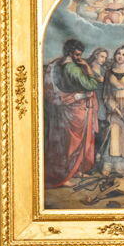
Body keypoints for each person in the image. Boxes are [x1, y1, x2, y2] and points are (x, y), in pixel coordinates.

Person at [46, 38, 100, 188]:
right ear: (70, 53)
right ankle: (65, 174)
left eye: (80, 54)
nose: (79, 57)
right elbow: (91, 84)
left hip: (69, 106)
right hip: (74, 108)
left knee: (69, 142)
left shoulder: (59, 63)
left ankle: (74, 170)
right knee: (72, 143)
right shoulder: (71, 68)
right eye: (76, 54)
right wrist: (88, 69)